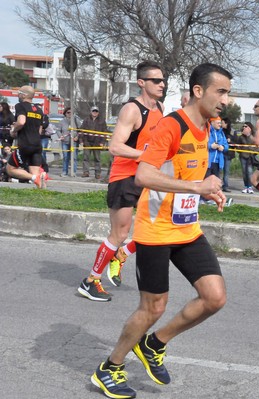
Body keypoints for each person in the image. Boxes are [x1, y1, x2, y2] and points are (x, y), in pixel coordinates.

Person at [91, 62, 230, 399]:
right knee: (152, 308)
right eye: (221, 91)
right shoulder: (172, 126)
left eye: (228, 92)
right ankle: (109, 368)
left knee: (215, 297)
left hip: (187, 230)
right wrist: (197, 187)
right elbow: (143, 176)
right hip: (155, 231)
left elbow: (184, 173)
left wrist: (206, 191)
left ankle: (154, 344)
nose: (226, 99)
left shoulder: (207, 125)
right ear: (199, 91)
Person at [77, 61, 165, 302]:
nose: (161, 84)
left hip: (146, 177)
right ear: (141, 83)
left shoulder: (160, 108)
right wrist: (147, 155)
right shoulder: (132, 110)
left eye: (163, 80)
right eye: (155, 80)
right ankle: (90, 281)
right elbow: (114, 146)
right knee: (119, 232)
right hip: (124, 177)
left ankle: (121, 255)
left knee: (157, 227)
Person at [5, 85, 46, 188]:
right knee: (35, 173)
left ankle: (34, 178)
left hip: (25, 144)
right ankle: (41, 183)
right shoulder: (38, 109)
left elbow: (21, 122)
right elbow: (40, 130)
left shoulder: (21, 106)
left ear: (24, 95)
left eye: (19, 93)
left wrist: (13, 130)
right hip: (37, 144)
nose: (18, 95)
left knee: (10, 169)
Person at [81, 106, 108, 179]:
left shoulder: (102, 120)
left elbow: (104, 132)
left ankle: (98, 173)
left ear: (98, 112)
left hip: (97, 142)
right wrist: (82, 141)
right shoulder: (86, 120)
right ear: (91, 111)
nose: (95, 112)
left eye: (96, 111)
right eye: (93, 111)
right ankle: (86, 172)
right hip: (87, 142)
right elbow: (82, 130)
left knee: (97, 159)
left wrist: (103, 141)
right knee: (86, 158)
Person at [237, 122, 257, 193]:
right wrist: (240, 150)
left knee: (250, 172)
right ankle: (246, 186)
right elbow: (237, 146)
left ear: (250, 128)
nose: (244, 128)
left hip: (250, 157)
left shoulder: (253, 136)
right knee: (244, 172)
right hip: (243, 156)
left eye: (246, 126)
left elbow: (256, 147)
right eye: (243, 126)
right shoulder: (241, 137)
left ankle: (250, 187)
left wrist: (248, 136)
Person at [221, 117, 235, 192]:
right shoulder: (220, 131)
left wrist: (230, 141)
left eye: (222, 123)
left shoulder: (232, 132)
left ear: (226, 123)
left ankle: (225, 186)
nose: (221, 124)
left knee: (226, 171)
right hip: (221, 153)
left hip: (228, 154)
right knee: (218, 170)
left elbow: (236, 142)